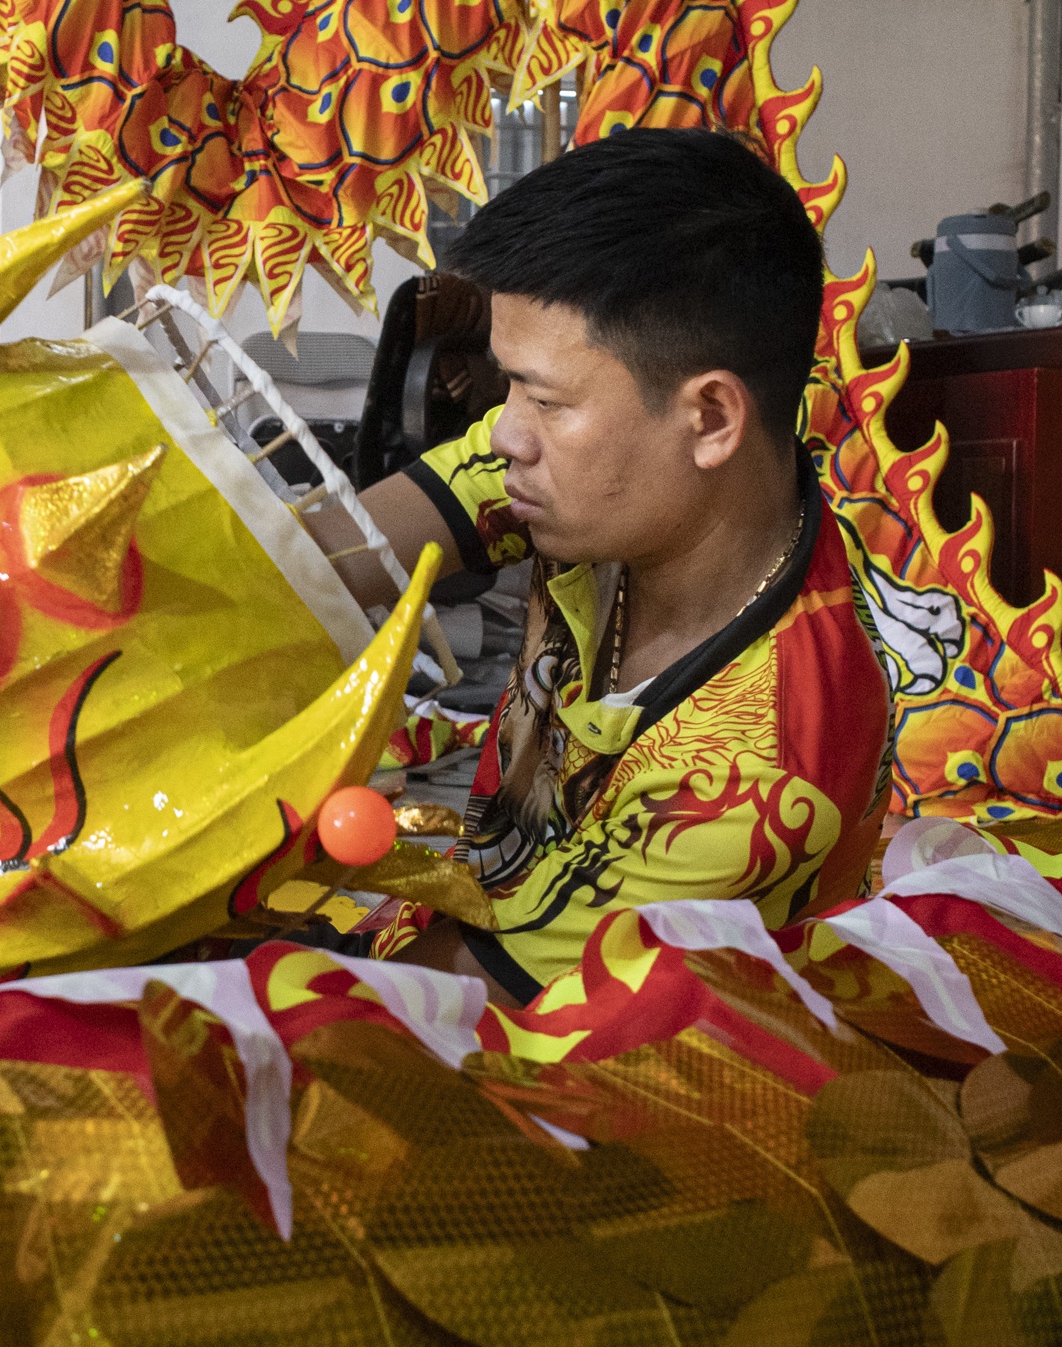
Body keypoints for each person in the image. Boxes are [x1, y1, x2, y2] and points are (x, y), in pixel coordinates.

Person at [312, 128, 892, 1005]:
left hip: (579, 1054)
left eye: (544, 398)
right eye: (509, 385)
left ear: (710, 419)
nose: (505, 433)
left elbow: (458, 1005)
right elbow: (318, 558)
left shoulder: (757, 775)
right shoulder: (597, 478)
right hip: (456, 931)